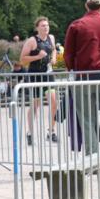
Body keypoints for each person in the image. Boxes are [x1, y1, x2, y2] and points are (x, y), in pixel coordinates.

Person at [64, 0, 100, 154]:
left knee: (87, 118)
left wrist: (72, 70)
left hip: (83, 76)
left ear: (86, 5)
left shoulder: (76, 25)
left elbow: (68, 53)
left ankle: (93, 154)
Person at [21, 16, 59, 144]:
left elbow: (53, 50)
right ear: (37, 28)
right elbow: (22, 59)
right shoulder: (32, 41)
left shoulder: (51, 38)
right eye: (43, 25)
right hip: (35, 75)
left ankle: (51, 131)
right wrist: (37, 56)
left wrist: (54, 58)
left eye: (47, 25)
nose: (46, 27)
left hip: (48, 74)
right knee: (35, 106)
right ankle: (30, 133)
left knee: (54, 102)